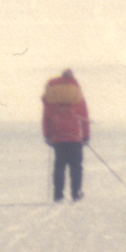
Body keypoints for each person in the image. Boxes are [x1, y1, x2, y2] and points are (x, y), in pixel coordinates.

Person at [41, 68, 91, 202]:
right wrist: (86, 137)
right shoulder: (77, 96)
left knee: (59, 167)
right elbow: (84, 118)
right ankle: (76, 193)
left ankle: (58, 195)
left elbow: (46, 118)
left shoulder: (51, 97)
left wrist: (48, 135)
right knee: (76, 167)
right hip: (74, 137)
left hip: (58, 138)